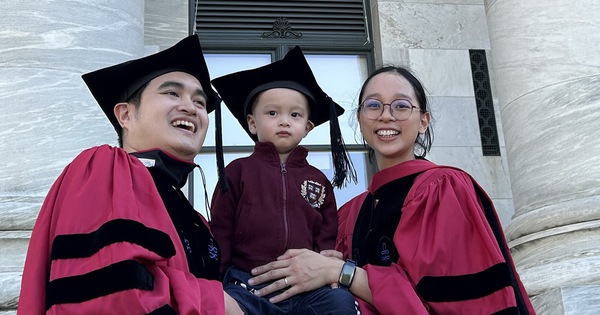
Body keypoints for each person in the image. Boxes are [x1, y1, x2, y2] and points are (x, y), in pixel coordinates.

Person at [247, 66, 537, 314]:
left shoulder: (444, 189)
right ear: (360, 120)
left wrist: (342, 273)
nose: (386, 116)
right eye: (373, 105)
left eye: (401, 106)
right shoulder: (352, 212)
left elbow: (453, 303)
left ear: (423, 121)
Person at [17, 34, 242, 314]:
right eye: (172, 93)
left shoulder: (193, 216)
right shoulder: (104, 168)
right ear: (124, 114)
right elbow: (112, 294)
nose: (191, 107)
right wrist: (219, 301)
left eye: (199, 101)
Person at [208, 46, 358, 314]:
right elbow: (221, 231)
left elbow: (325, 236)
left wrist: (328, 271)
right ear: (252, 124)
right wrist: (215, 279)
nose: (284, 121)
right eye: (272, 113)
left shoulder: (317, 180)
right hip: (248, 284)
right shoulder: (237, 172)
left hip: (306, 289)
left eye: (295, 115)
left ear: (308, 127)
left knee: (341, 303)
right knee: (221, 304)